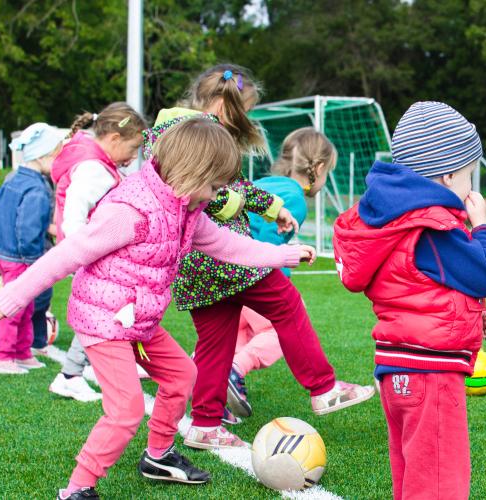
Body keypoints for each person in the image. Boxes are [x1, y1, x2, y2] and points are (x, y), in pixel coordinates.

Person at [0, 118, 316, 500]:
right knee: (126, 411)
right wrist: (15, 295)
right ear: (191, 173)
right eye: (213, 187)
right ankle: (78, 487)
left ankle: (158, 456)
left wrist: (284, 254)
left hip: (138, 319)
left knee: (182, 377)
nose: (214, 197)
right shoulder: (131, 210)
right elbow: (70, 253)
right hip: (104, 321)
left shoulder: (186, 210)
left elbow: (229, 246)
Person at [145, 64, 375, 451]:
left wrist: (273, 209)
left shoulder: (177, 128)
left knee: (216, 342)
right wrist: (239, 206)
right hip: (223, 256)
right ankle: (323, 388)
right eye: (243, 111)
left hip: (195, 265)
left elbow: (233, 185)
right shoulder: (193, 133)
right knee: (286, 304)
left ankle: (204, 423)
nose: (244, 120)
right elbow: (202, 191)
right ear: (222, 104)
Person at [332, 101, 486, 500]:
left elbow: (413, 287)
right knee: (440, 486)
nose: (470, 187)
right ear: (446, 175)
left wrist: (471, 312)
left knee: (414, 479)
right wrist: (483, 228)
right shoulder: (431, 225)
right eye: (468, 175)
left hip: (396, 370)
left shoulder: (390, 218)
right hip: (432, 374)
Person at [225, 127, 337, 420]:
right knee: (278, 330)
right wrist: (281, 267)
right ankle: (234, 371)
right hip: (251, 273)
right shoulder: (296, 200)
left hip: (224, 269)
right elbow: (266, 240)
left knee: (237, 332)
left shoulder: (265, 183)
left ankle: (204, 376)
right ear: (320, 168)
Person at [48, 102, 148, 403]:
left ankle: (85, 368)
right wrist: (86, 253)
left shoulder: (96, 161)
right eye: (132, 148)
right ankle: (70, 375)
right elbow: (74, 217)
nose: (133, 159)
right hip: (91, 255)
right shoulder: (94, 170)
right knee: (102, 313)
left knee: (110, 310)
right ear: (114, 139)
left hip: (92, 253)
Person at [0, 122, 67, 375]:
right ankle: (1, 356)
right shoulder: (37, 188)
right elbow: (28, 227)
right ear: (44, 156)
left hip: (8, 253)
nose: (58, 162)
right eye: (57, 156)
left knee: (26, 305)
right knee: (15, 307)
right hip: (21, 257)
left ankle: (22, 353)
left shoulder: (14, 179)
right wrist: (34, 260)